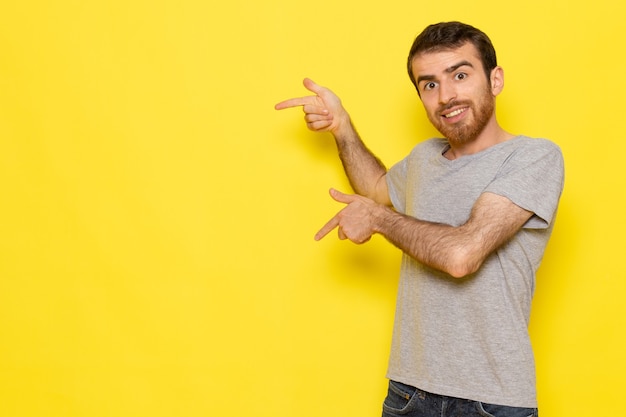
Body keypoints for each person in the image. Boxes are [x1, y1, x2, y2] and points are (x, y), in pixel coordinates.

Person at [275, 21, 563, 417]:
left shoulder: (533, 157)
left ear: (494, 80)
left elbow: (462, 256)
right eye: (429, 85)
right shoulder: (425, 157)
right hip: (408, 393)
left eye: (460, 75)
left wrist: (378, 220)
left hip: (490, 401)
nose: (446, 96)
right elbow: (377, 188)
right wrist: (341, 127)